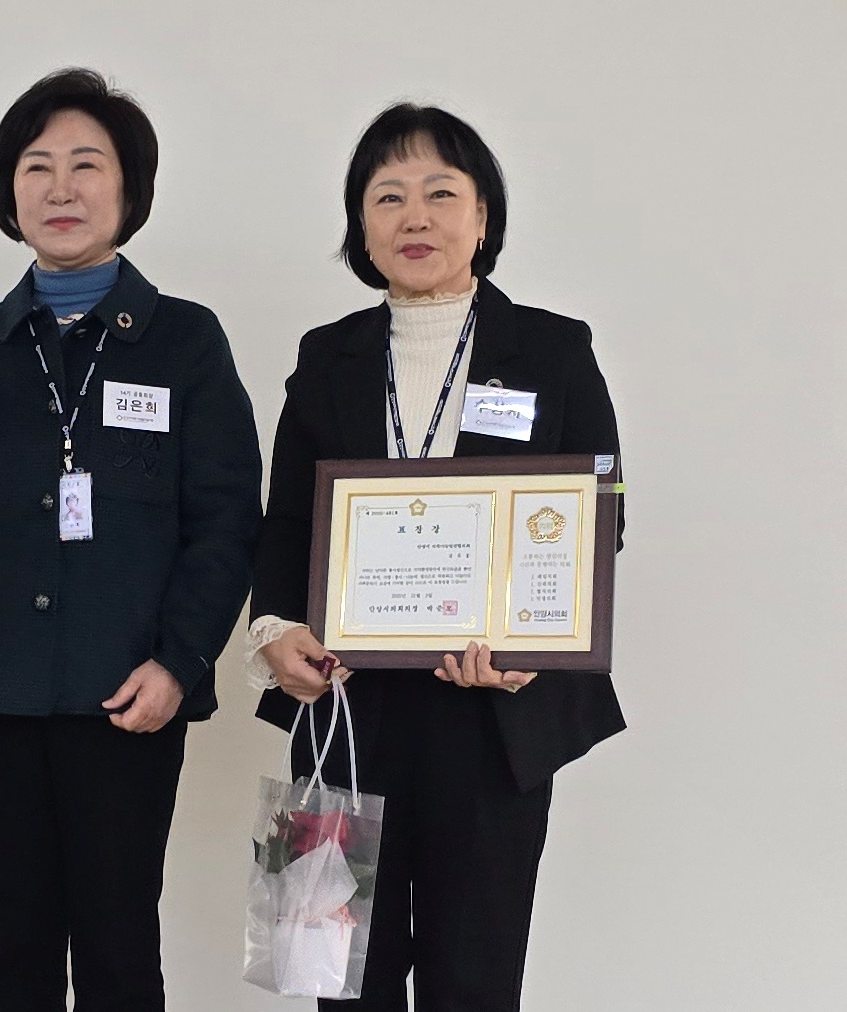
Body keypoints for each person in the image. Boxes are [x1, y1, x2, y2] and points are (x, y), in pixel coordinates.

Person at [247, 103, 625, 1011]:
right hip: (350, 707)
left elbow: (596, 517)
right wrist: (273, 629)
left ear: (482, 216)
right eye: (387, 197)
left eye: (439, 193)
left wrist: (533, 644)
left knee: (475, 977)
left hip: (491, 715)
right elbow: (287, 520)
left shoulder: (553, 348)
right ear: (360, 225)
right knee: (344, 974)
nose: (413, 217)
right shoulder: (327, 355)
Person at [0, 68, 262, 1011]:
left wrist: (179, 662)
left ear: (128, 188)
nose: (59, 188)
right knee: (14, 960)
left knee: (118, 954)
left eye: (86, 165)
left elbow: (226, 518)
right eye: (36, 166)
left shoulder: (185, 342)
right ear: (9, 191)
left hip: (128, 699)